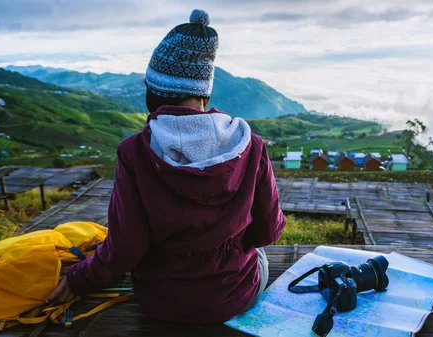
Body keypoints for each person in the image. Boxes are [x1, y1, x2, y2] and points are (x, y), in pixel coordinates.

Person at [47, 9, 286, 323]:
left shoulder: (134, 151)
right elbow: (268, 231)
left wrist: (79, 279)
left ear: (153, 91)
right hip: (235, 296)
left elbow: (127, 247)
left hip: (161, 302)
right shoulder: (250, 145)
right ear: (205, 91)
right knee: (258, 256)